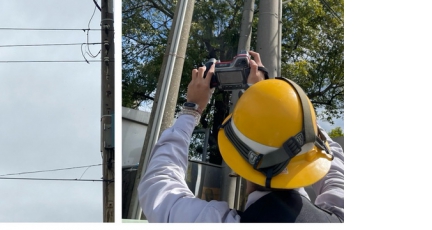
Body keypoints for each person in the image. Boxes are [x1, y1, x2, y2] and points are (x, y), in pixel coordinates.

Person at [138, 50, 344, 223]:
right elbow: (334, 164)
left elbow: (159, 183)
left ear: (237, 158)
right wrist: (274, 99)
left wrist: (192, 109)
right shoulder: (339, 216)